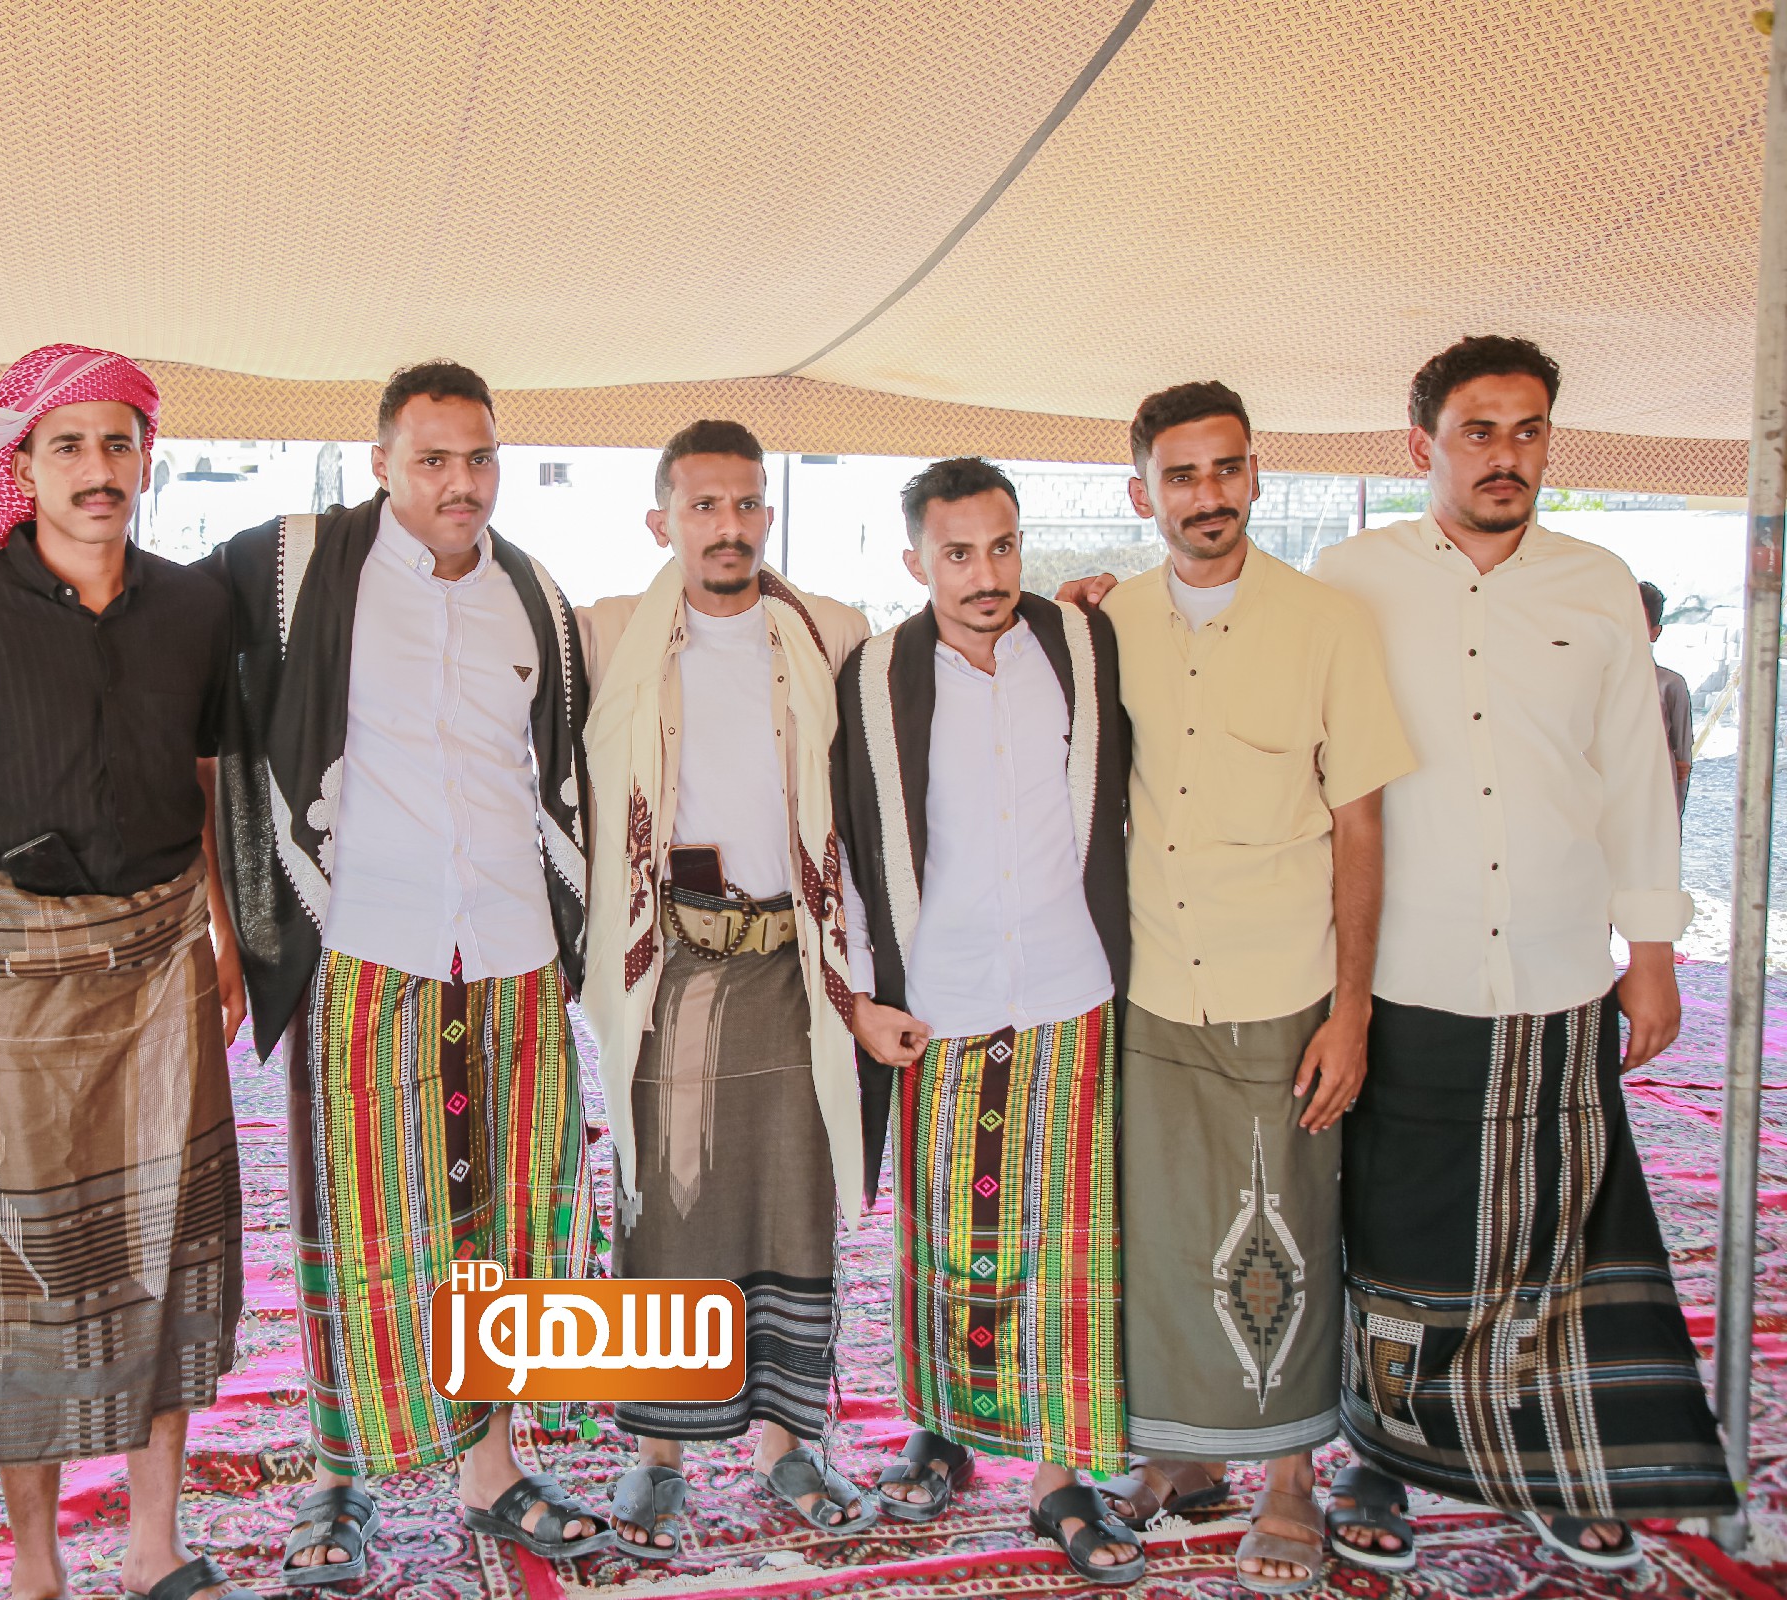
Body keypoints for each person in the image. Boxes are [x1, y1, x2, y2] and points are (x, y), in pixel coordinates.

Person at [1311, 335, 1736, 1573]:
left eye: (1528, 430)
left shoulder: (1596, 584)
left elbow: (1634, 778)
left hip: (1558, 965)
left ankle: (1549, 1461)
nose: (1507, 455)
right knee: (1394, 1223)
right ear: (1422, 445)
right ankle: (1381, 1456)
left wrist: (1650, 947)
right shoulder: (1349, 579)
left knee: (1555, 1228)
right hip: (1403, 967)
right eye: (1480, 431)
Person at [0, 346, 253, 1600]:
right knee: (25, 1277)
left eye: (118, 443)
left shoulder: (197, 606)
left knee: (171, 1251)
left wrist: (224, 932)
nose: (98, 469)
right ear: (23, 464)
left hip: (165, 968)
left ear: (148, 456)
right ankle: (37, 1566)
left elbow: (207, 779)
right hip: (12, 981)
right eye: (68, 446)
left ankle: (155, 1545)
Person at [1062, 382, 1416, 1594]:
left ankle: (1289, 1480)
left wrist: (1352, 1012)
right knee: (1164, 1233)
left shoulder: (1327, 624)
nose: (1207, 495)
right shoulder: (1110, 623)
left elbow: (1361, 825)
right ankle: (1179, 1457)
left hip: (1284, 987)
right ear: (1142, 494)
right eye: (1182, 475)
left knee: (1288, 1231)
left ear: (1256, 475)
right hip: (1153, 980)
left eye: (1226, 469)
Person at [833, 459, 1143, 1585]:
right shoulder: (876, 675)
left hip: (1070, 985)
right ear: (915, 561)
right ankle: (942, 1429)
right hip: (942, 998)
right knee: (944, 1235)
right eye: (957, 553)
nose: (985, 574)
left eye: (1002, 546)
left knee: (1068, 1247)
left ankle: (1060, 1476)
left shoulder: (1084, 643)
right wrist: (861, 999)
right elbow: (849, 846)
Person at [576, 420, 874, 1558]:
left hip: (795, 963)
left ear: (768, 515)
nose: (730, 526)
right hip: (670, 967)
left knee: (793, 1198)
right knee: (664, 1199)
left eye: (747, 504)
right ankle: (656, 1452)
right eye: (704, 506)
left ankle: (788, 1442)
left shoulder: (832, 633)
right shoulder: (609, 635)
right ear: (662, 521)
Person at [1642, 581, 1694, 814]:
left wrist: (1671, 825)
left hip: (1651, 806)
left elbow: (1682, 766)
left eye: (1638, 621)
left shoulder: (1670, 686)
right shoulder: (1595, 683)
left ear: (1655, 632)